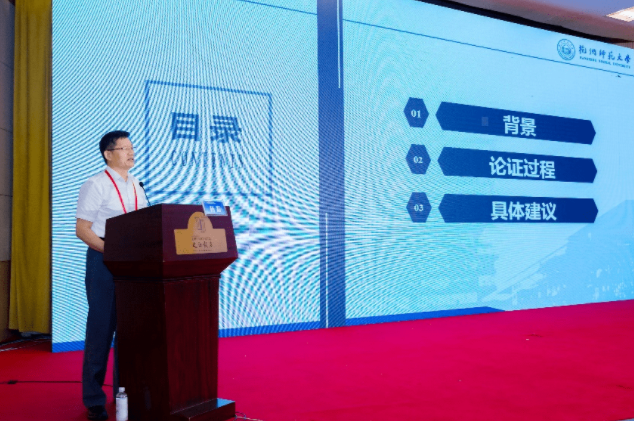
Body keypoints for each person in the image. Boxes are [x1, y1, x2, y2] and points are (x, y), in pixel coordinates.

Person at [75, 131, 148, 420]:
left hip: (133, 264)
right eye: (124, 148)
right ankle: (94, 399)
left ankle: (123, 395)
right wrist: (114, 252)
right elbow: (83, 230)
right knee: (101, 330)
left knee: (129, 333)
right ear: (108, 154)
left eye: (132, 148)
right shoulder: (95, 184)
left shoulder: (137, 184)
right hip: (103, 261)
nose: (131, 152)